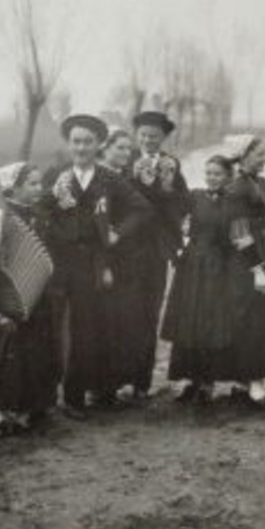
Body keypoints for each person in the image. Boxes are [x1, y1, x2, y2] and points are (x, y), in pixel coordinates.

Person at [40, 113, 152, 420]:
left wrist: (118, 232)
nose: (81, 147)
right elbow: (39, 211)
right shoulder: (56, 175)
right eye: (76, 141)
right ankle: (72, 397)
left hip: (98, 261)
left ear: (99, 144)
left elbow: (141, 209)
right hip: (64, 263)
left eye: (88, 141)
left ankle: (102, 391)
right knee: (72, 330)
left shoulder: (109, 178)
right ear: (68, 143)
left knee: (101, 326)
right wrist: (55, 204)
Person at [0, 162, 60, 435]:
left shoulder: (40, 215)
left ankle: (34, 407)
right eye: (32, 184)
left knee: (38, 349)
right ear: (13, 188)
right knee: (9, 355)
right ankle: (3, 412)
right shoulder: (0, 218)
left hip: (39, 294)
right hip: (8, 299)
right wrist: (1, 305)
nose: (39, 189)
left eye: (40, 183)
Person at [162, 155, 240, 404]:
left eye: (217, 174)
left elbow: (241, 237)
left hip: (218, 270)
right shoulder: (195, 196)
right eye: (208, 173)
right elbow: (171, 207)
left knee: (210, 324)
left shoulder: (234, 203)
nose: (212, 178)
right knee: (189, 322)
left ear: (228, 176)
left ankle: (208, 383)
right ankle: (191, 381)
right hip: (192, 268)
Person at [222, 133, 265, 409]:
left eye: (264, 154)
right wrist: (257, 269)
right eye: (259, 154)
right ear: (244, 155)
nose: (264, 159)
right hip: (248, 259)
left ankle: (247, 381)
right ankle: (253, 386)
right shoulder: (236, 188)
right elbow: (238, 232)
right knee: (252, 316)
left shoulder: (260, 182)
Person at [131, 110, 190, 397]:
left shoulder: (172, 164)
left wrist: (167, 189)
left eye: (154, 136)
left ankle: (141, 382)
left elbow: (182, 202)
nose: (148, 140)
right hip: (127, 248)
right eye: (143, 135)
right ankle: (115, 380)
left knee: (149, 312)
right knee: (123, 312)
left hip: (156, 249)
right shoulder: (126, 162)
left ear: (163, 138)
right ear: (136, 136)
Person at [99, 127, 155, 402]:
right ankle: (104, 385)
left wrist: (119, 232)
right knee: (104, 321)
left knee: (129, 320)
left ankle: (127, 381)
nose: (125, 153)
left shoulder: (128, 178)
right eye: (119, 147)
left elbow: (144, 209)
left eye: (127, 149)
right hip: (101, 256)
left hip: (128, 257)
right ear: (105, 147)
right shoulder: (97, 176)